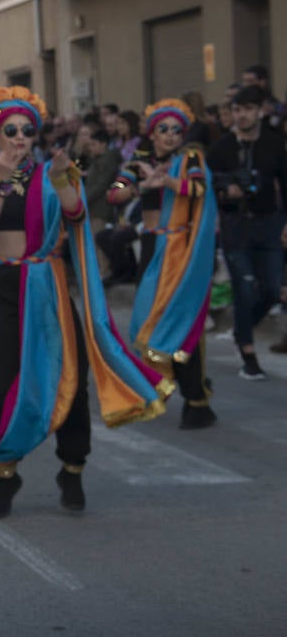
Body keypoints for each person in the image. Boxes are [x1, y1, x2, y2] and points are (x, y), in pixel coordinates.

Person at [0, 87, 170, 517]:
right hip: (0, 286)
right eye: (11, 131)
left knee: (70, 378)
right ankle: (6, 471)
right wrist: (4, 178)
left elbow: (75, 216)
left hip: (47, 286)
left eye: (27, 131)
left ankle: (72, 468)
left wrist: (62, 180)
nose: (21, 138)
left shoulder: (51, 173)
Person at [107, 100, 218, 427]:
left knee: (181, 321)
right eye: (163, 129)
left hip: (180, 252)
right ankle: (178, 381)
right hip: (151, 247)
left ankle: (196, 398)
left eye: (176, 131)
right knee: (149, 321)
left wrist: (167, 182)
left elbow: (199, 188)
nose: (170, 135)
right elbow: (114, 194)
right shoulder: (138, 162)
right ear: (152, 133)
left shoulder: (190, 159)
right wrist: (140, 186)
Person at [205, 85, 287, 377]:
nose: (241, 115)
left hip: (269, 223)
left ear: (260, 112)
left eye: (248, 109)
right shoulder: (221, 148)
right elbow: (206, 185)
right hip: (235, 226)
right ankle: (248, 354)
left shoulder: (274, 144)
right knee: (244, 287)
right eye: (237, 110)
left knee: (272, 290)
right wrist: (225, 191)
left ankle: (242, 329)